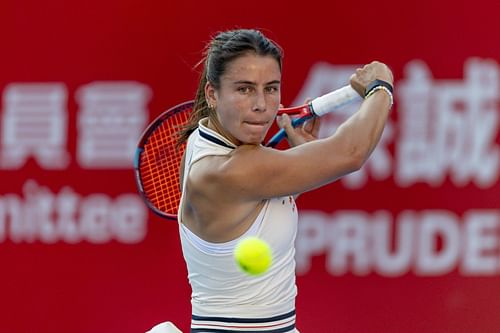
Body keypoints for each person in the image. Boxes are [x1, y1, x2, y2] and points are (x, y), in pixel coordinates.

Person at [176, 28, 393, 332]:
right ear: (212, 94)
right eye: (244, 89)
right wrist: (381, 87)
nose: (262, 105)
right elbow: (351, 152)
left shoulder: (203, 141)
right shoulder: (227, 169)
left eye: (271, 88)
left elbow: (253, 213)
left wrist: (296, 167)